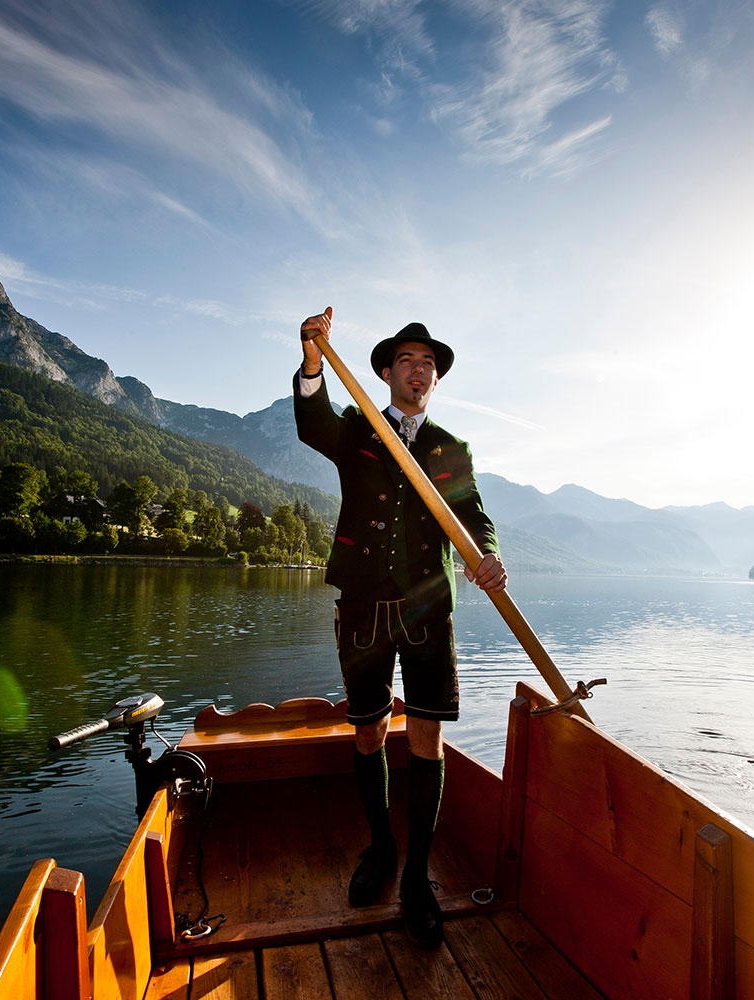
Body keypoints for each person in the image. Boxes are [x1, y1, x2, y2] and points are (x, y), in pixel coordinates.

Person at [293, 306, 506, 949]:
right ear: (385, 372)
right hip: (361, 603)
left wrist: (488, 555)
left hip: (427, 608)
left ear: (435, 381)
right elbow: (311, 424)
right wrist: (312, 357)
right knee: (367, 730)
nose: (422, 371)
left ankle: (416, 878)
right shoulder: (358, 429)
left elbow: (473, 518)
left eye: (430, 365)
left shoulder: (451, 449)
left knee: (427, 735)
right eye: (409, 361)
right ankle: (382, 848)